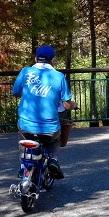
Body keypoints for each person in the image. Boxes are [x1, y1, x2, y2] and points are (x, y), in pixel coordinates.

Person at [12, 45, 76, 178]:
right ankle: (53, 160)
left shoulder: (25, 72)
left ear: (36, 59)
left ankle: (24, 166)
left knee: (24, 137)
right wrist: (73, 105)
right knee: (54, 139)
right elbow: (66, 104)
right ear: (53, 60)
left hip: (26, 125)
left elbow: (15, 92)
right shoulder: (59, 77)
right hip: (49, 128)